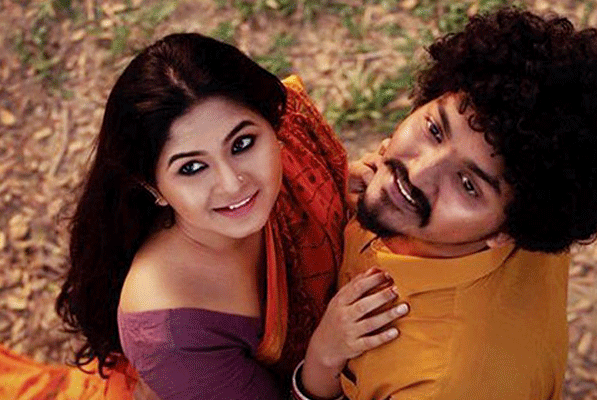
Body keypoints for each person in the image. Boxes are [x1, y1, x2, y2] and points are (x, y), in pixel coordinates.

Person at [293, 7, 597, 400]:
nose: (416, 173)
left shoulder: (442, 383)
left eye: (467, 184)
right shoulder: (523, 201)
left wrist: (320, 363)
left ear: (509, 232)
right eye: (435, 130)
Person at [54, 32, 407, 400]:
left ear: (274, 124)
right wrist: (325, 356)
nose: (232, 183)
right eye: (192, 168)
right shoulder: (172, 333)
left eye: (242, 144)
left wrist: (340, 185)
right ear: (152, 186)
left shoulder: (293, 147)